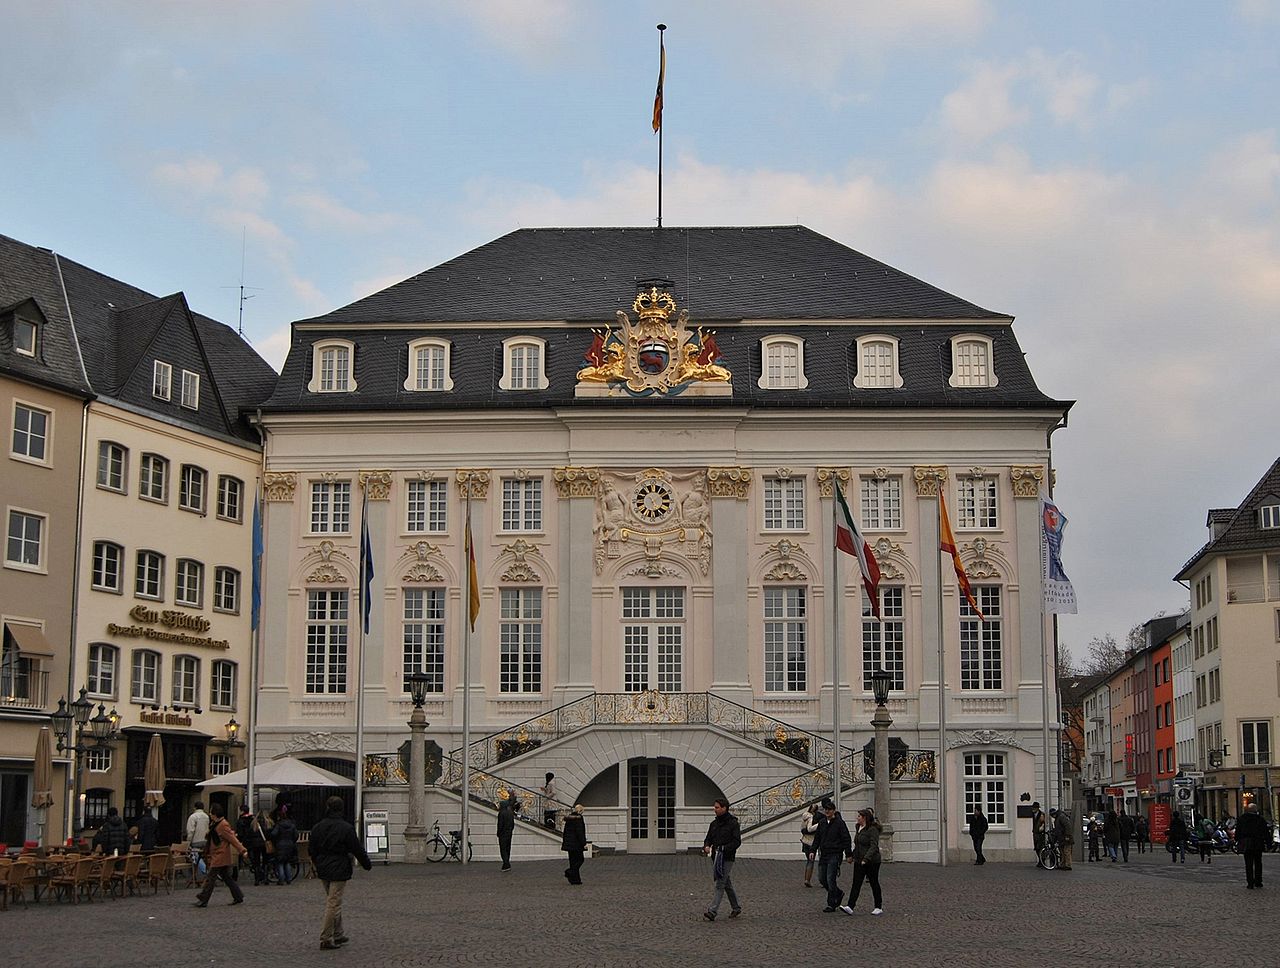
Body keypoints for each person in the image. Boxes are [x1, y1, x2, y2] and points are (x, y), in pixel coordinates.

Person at [310, 796, 372, 950]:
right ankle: (326, 938)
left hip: (323, 867)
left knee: (333, 901)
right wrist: (366, 864)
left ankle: (338, 934)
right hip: (339, 867)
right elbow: (356, 848)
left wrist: (318, 862)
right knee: (333, 903)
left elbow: (312, 849)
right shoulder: (346, 828)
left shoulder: (318, 827)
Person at [193, 803, 248, 908]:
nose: (209, 814)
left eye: (211, 812)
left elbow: (233, 839)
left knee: (211, 877)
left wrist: (242, 850)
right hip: (217, 854)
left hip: (220, 855)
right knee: (227, 877)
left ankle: (204, 898)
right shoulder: (215, 823)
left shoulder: (223, 825)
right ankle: (238, 896)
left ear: (215, 814)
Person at [701, 798, 742, 921]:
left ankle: (712, 911)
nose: (715, 809)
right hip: (716, 857)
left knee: (720, 883)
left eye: (717, 807)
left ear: (724, 808)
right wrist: (707, 846)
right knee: (726, 883)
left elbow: (736, 841)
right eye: (715, 807)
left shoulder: (733, 823)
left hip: (727, 857)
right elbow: (708, 838)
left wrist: (724, 848)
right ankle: (736, 907)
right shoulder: (714, 824)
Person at [814, 797, 853, 912]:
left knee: (831, 879)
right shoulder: (822, 823)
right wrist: (812, 850)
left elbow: (846, 838)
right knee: (822, 878)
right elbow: (817, 838)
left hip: (835, 854)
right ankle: (838, 893)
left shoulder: (840, 823)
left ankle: (831, 903)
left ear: (834, 811)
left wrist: (848, 853)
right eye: (826, 810)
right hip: (824, 854)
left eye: (829, 810)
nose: (827, 812)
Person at [843, 807, 883, 915]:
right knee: (856, 883)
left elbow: (873, 846)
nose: (857, 818)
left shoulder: (872, 829)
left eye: (859, 816)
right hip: (859, 860)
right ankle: (850, 906)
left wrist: (866, 858)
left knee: (874, 882)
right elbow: (857, 844)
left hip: (872, 861)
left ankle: (878, 906)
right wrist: (852, 855)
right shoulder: (858, 827)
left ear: (864, 818)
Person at [1234, 803, 1267, 889]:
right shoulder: (1260, 819)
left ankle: (1250, 882)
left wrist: (1237, 840)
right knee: (1258, 863)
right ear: (1256, 810)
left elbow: (1238, 831)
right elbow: (1265, 832)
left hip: (1246, 843)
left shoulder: (1242, 819)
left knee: (1248, 863)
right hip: (1258, 843)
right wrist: (1268, 842)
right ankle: (1258, 881)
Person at [236, 804, 266, 884]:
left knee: (253, 860)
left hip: (248, 842)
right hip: (259, 842)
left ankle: (258, 877)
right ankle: (262, 876)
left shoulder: (241, 821)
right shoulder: (254, 819)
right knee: (257, 860)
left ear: (242, 811)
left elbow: (240, 833)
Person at [270, 808, 300, 884]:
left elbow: (273, 834)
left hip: (280, 844)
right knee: (287, 861)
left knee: (280, 862)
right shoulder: (292, 825)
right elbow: (296, 835)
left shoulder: (279, 825)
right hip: (290, 845)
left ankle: (281, 879)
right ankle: (289, 878)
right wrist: (292, 841)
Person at [561, 803, 587, 885]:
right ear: (581, 811)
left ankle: (575, 880)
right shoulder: (578, 819)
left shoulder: (569, 818)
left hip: (569, 843)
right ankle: (570, 872)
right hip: (577, 844)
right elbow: (580, 832)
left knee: (572, 861)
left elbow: (565, 832)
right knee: (580, 859)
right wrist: (584, 843)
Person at [186, 800, 211, 877]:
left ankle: (205, 871)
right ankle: (204, 871)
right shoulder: (207, 816)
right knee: (203, 856)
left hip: (196, 841)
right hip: (205, 841)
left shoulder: (193, 817)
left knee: (194, 855)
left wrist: (188, 842)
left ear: (195, 808)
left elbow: (191, 831)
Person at [801, 803, 820, 887]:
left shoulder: (804, 817)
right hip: (811, 841)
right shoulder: (811, 818)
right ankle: (807, 879)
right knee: (810, 861)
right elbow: (810, 829)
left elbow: (802, 829)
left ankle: (806, 879)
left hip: (805, 840)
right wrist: (818, 825)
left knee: (809, 860)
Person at [497, 794, 517, 872]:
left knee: (503, 849)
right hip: (509, 833)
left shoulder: (501, 813)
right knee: (508, 848)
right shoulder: (510, 813)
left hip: (503, 833)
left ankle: (506, 863)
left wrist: (498, 832)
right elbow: (512, 824)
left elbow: (500, 824)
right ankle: (506, 862)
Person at [1031, 801, 1046, 867]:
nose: (1033, 809)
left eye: (1034, 808)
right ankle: (1040, 860)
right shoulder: (1033, 814)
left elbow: (1043, 822)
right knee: (1036, 848)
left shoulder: (1041, 814)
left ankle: (1042, 861)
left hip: (1040, 833)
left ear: (1037, 808)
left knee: (1040, 847)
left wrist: (1042, 827)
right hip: (1035, 832)